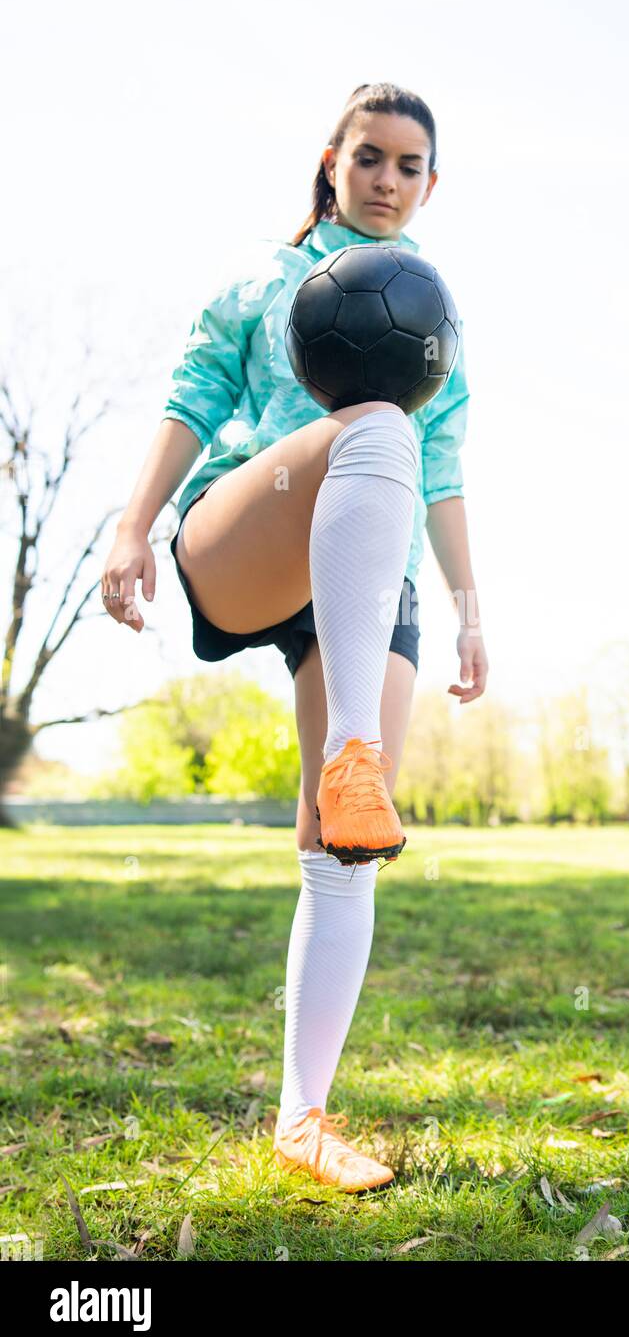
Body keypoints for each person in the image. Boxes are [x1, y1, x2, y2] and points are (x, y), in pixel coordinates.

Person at [100, 82, 488, 1192]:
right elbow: (188, 397)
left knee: (342, 852)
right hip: (254, 522)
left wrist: (472, 611)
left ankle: (302, 1118)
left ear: (429, 184)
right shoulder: (263, 284)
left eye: (409, 166)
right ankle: (353, 755)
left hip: (370, 586)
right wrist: (130, 529)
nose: (385, 179)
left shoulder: (438, 320)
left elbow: (448, 472)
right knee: (368, 419)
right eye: (369, 156)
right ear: (331, 161)